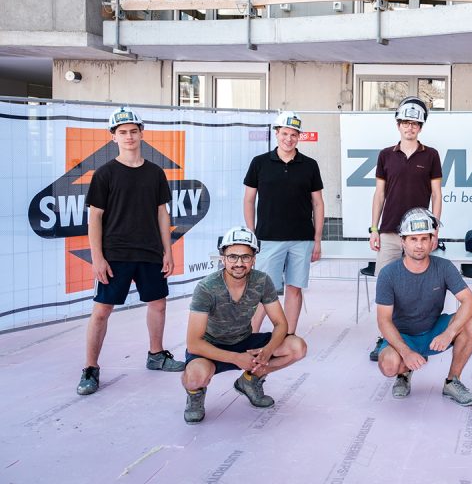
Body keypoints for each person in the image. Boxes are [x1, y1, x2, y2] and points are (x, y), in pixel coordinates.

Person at [77, 106, 184, 396]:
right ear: (113, 137)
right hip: (116, 254)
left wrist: (168, 250)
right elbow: (95, 217)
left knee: (158, 304)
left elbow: (162, 213)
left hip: (150, 251)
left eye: (133, 131)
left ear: (141, 133)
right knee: (101, 311)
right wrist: (97, 257)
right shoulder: (104, 174)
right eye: (122, 132)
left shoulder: (155, 173)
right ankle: (90, 369)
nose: (128, 136)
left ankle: (156, 354)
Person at [181, 227, 307, 424]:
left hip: (244, 340)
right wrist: (236, 358)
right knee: (195, 377)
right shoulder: (206, 288)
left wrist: (268, 350)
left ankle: (250, 380)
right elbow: (193, 343)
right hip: (211, 347)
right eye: (233, 257)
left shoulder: (261, 281)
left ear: (254, 259)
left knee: (297, 347)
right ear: (223, 258)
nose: (239, 263)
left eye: (245, 257)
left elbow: (281, 323)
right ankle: (195, 395)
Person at [375, 208, 472, 406]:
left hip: (433, 332)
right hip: (403, 336)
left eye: (424, 239)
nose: (419, 245)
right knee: (389, 366)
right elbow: (383, 320)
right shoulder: (388, 274)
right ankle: (404, 374)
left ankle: (452, 381)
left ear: (433, 241)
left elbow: (470, 302)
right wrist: (406, 352)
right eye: (413, 239)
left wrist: (449, 333)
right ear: (402, 241)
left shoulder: (444, 266)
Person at [368, 97, 443, 360]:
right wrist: (373, 229)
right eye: (405, 123)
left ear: (421, 126)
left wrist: (434, 231)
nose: (410, 127)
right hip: (389, 231)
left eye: (415, 123)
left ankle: (410, 336)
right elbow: (379, 194)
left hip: (418, 234)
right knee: (386, 287)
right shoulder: (386, 155)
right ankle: (384, 339)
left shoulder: (431, 155)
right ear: (398, 124)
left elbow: (437, 194)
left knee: (413, 287)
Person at [243, 111, 324, 337]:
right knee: (263, 290)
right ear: (277, 133)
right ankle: (249, 337)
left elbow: (318, 204)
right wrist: (252, 235)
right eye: (285, 133)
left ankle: (287, 336)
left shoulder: (310, 165)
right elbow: (249, 200)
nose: (289, 139)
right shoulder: (259, 163)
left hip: (302, 239)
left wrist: (317, 239)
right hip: (268, 238)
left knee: (294, 289)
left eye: (294, 135)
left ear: (299, 137)